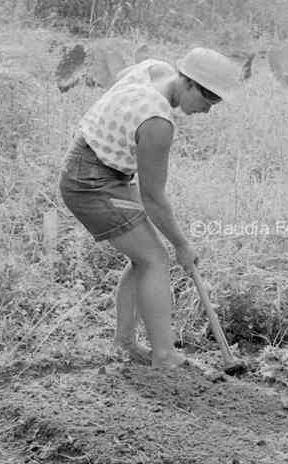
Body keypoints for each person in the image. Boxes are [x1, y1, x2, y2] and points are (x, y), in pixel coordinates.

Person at [59, 47, 240, 369]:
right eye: (207, 101)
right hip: (91, 182)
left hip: (94, 162)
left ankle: (125, 343)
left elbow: (119, 85)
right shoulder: (158, 123)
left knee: (144, 257)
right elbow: (153, 198)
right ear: (188, 83)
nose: (207, 111)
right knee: (156, 258)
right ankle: (165, 356)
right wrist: (183, 245)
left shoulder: (154, 69)